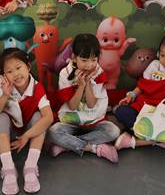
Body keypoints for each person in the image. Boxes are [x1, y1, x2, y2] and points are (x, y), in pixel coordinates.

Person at [0, 48, 54, 194]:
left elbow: (49, 117)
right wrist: (5, 95)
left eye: (18, 68)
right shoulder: (0, 87)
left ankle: (30, 166)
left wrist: (26, 136)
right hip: (8, 135)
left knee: (39, 116)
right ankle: (8, 168)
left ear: (28, 67)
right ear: (4, 75)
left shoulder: (36, 87)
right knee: (1, 117)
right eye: (9, 71)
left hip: (28, 134)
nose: (16, 74)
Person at [48, 34, 120, 162]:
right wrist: (80, 86)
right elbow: (72, 106)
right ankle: (94, 148)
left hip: (94, 122)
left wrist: (88, 84)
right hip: (71, 123)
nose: (89, 65)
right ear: (74, 58)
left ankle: (68, 145)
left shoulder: (98, 72)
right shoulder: (65, 74)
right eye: (84, 60)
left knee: (113, 131)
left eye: (93, 60)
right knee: (53, 131)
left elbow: (92, 104)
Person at [114, 32, 165, 153]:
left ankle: (136, 141)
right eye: (162, 55)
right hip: (144, 108)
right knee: (121, 111)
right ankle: (158, 140)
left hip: (164, 114)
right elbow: (142, 85)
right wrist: (132, 95)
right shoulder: (154, 65)